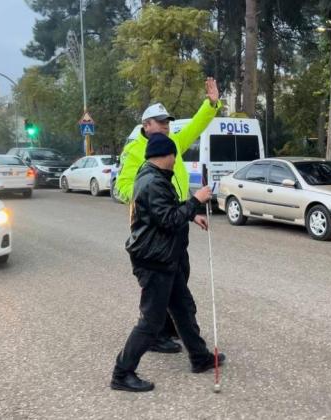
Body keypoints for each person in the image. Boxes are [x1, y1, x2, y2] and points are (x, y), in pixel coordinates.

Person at [111, 133, 225, 392]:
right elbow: (168, 219)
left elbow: (169, 210)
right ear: (167, 155)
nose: (176, 161)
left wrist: (192, 215)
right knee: (151, 322)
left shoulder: (155, 177)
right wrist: (197, 201)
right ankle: (122, 373)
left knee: (184, 308)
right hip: (154, 261)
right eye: (175, 156)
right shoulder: (152, 182)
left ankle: (200, 357)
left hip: (165, 258)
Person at [116, 77, 221, 354]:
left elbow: (197, 126)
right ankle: (156, 332)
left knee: (179, 279)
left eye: (167, 122)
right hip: (155, 228)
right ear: (146, 125)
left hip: (176, 221)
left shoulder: (171, 142)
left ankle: (175, 331)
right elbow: (122, 187)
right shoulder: (135, 151)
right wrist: (147, 201)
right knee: (159, 284)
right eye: (160, 122)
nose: (165, 126)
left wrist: (210, 104)